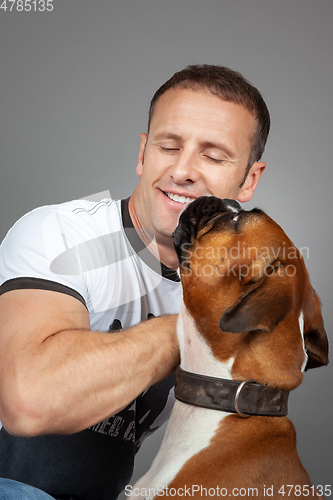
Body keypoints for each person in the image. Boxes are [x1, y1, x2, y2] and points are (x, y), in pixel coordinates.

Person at [0, 65, 270, 499]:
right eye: (169, 146)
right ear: (143, 154)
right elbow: (29, 402)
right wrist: (194, 325)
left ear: (249, 179)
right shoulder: (59, 234)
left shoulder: (236, 285)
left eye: (213, 156)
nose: (183, 170)